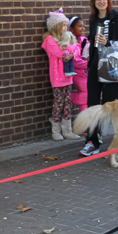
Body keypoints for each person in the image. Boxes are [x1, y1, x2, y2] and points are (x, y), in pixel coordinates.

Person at [80, 0, 118, 157]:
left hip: (112, 68)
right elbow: (93, 42)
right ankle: (92, 142)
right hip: (95, 67)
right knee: (92, 105)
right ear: (93, 2)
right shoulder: (93, 19)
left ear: (108, 0)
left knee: (110, 107)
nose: (101, 2)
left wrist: (108, 42)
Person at [41, 10, 83, 141]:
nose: (66, 28)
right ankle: (56, 131)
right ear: (56, 26)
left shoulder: (66, 38)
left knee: (67, 104)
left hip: (68, 77)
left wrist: (72, 52)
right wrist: (71, 49)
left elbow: (77, 49)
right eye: (64, 25)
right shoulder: (49, 40)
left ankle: (67, 130)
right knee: (58, 103)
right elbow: (61, 52)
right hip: (58, 78)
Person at [68, 16, 90, 114]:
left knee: (92, 92)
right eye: (80, 26)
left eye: (83, 26)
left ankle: (85, 125)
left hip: (86, 72)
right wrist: (90, 64)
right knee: (87, 90)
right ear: (71, 29)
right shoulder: (69, 42)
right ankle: (69, 98)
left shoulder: (84, 40)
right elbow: (74, 61)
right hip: (76, 72)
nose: (83, 28)